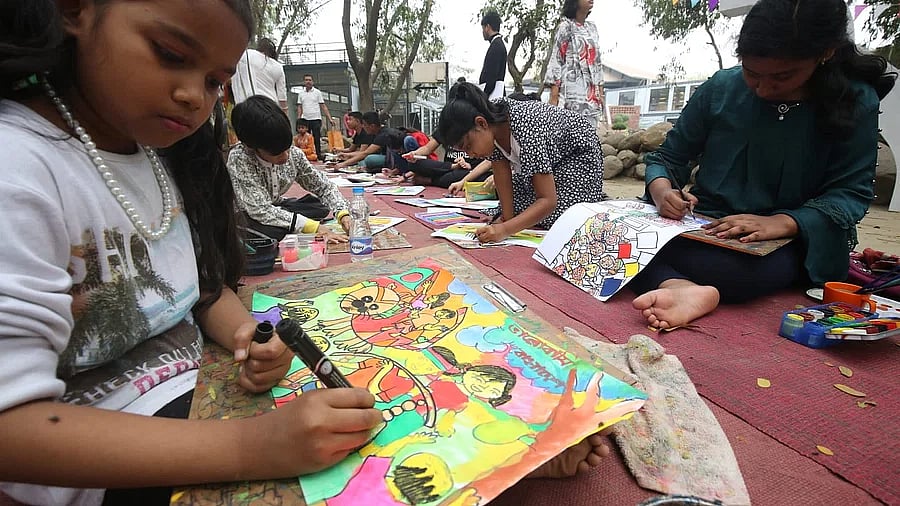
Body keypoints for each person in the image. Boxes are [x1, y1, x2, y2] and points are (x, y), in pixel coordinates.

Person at [0, 1, 384, 504]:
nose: (191, 97)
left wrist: (248, 335)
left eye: (213, 82)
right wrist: (254, 447)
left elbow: (199, 292)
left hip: (207, 400)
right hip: (120, 463)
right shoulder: (19, 168)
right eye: (169, 54)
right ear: (76, 11)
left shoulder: (159, 157)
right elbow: (13, 428)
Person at [629, 0, 896, 330]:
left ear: (825, 53)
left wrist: (782, 223)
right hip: (702, 224)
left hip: (790, 239)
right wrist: (662, 190)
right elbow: (669, 158)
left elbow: (850, 194)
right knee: (603, 233)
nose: (763, 88)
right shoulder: (721, 88)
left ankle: (672, 280)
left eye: (782, 76)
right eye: (751, 73)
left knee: (735, 273)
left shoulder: (856, 100)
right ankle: (679, 287)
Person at [434, 82, 606, 243]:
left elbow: (548, 199)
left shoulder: (525, 127)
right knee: (513, 197)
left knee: (563, 216)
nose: (471, 153)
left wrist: (505, 230)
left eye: (469, 146)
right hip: (551, 165)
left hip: (578, 162)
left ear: (481, 123)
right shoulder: (492, 125)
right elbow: (502, 176)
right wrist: (506, 220)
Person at [229, 96, 350, 242]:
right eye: (277, 153)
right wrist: (315, 228)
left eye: (287, 148)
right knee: (268, 231)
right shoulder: (240, 158)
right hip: (249, 213)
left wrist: (343, 214)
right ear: (252, 146)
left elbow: (323, 186)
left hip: (276, 205)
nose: (285, 157)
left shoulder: (294, 154)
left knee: (318, 206)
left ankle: (290, 222)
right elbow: (259, 210)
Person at [545, 0, 605, 128]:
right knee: (570, 140)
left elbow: (597, 63)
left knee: (590, 139)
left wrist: (601, 93)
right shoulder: (565, 26)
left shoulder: (592, 28)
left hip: (591, 97)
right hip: (571, 96)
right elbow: (557, 59)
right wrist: (554, 97)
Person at [230, 37, 288, 116]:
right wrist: (285, 115)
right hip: (271, 109)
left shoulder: (246, 55)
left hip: (246, 107)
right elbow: (282, 98)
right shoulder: (278, 66)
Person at [334, 111, 404, 173]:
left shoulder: (383, 135)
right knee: (363, 162)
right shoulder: (374, 133)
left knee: (369, 159)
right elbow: (352, 150)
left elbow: (365, 153)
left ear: (372, 126)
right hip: (388, 157)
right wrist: (347, 155)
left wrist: (343, 164)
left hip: (397, 159)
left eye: (365, 125)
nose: (363, 127)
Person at [296, 74, 334, 161]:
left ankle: (318, 154)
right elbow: (299, 107)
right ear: (304, 82)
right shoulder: (301, 94)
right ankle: (305, 155)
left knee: (316, 137)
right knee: (305, 138)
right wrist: (299, 119)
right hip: (305, 119)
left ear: (312, 82)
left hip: (316, 118)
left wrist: (330, 118)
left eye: (309, 80)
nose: (308, 81)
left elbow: (323, 106)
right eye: (306, 80)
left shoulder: (317, 92)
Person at [479, 11, 507, 100]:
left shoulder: (496, 46)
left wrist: (483, 97)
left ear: (487, 27)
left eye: (483, 28)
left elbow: (491, 77)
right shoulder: (497, 44)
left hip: (493, 97)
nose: (482, 32)